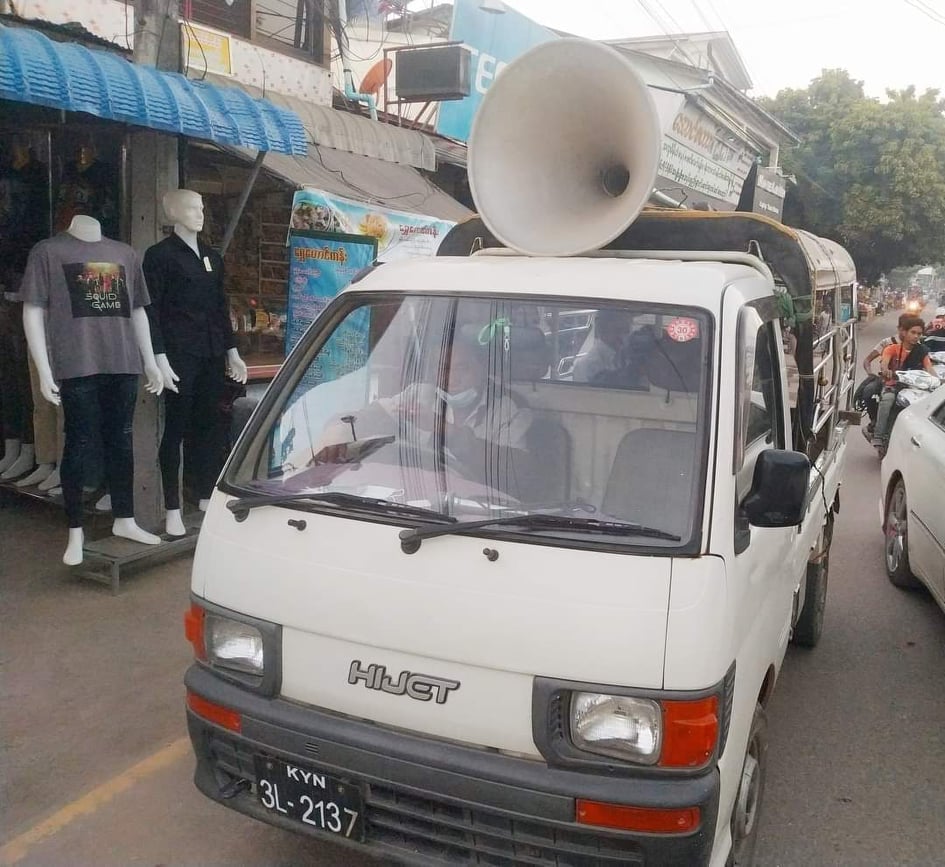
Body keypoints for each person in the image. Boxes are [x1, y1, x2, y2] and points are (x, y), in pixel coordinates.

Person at [871, 316, 936, 453]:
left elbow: (929, 368)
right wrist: (886, 371)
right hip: (893, 385)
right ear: (904, 333)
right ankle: (878, 435)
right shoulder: (891, 348)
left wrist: (938, 381)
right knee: (887, 400)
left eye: (919, 334)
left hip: (913, 389)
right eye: (913, 332)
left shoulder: (922, 351)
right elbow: (884, 363)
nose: (916, 336)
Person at [572, 310, 637, 385]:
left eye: (626, 331)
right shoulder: (585, 366)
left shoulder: (630, 358)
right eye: (618, 330)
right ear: (602, 329)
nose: (623, 336)